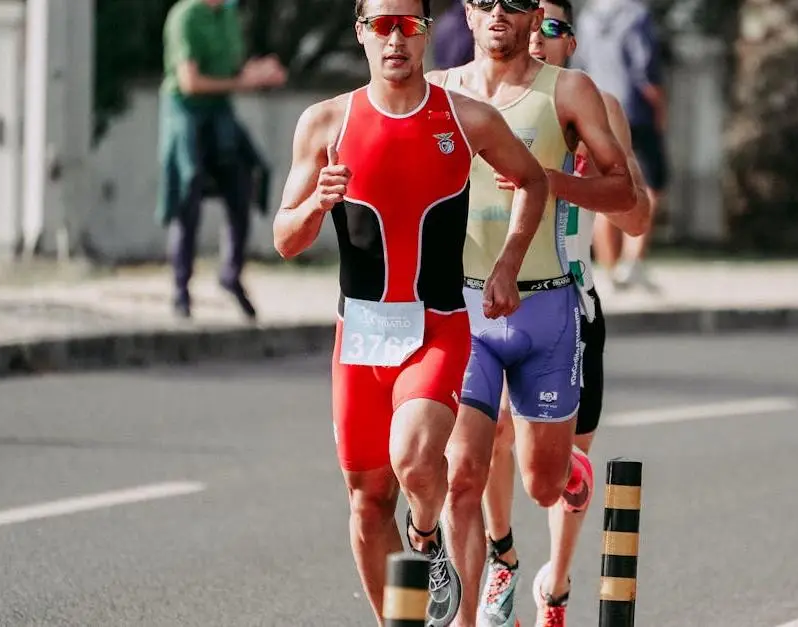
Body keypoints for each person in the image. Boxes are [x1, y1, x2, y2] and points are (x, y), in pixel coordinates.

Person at [272, 1, 550, 625]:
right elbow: (284, 239)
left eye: (409, 26)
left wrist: (506, 265)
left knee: (416, 460)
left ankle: (425, 539)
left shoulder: (465, 118)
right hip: (360, 340)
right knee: (369, 503)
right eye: (382, 26)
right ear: (361, 34)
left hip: (436, 328)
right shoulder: (325, 123)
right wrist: (316, 205)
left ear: (426, 33)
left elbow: (531, 181)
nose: (395, 40)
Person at [426, 1, 638, 623]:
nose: (500, 12)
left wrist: (550, 179)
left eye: (517, 2)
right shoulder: (438, 92)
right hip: (465, 306)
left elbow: (625, 192)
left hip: (548, 307)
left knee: (541, 486)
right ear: (466, 12)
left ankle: (564, 470)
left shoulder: (568, 92)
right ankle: (470, 610)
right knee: (462, 476)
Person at [157, 0, 288, 320]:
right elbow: (190, 81)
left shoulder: (228, 14)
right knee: (188, 191)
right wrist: (245, 83)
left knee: (243, 182)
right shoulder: (185, 16)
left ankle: (231, 274)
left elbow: (233, 69)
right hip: (185, 111)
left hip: (220, 111)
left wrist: (259, 71)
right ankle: (180, 288)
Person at [573, 0, 667, 291]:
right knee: (651, 184)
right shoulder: (636, 15)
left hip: (597, 108)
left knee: (606, 187)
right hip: (634, 110)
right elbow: (646, 72)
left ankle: (609, 270)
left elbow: (579, 65)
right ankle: (632, 261)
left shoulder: (587, 16)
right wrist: (661, 111)